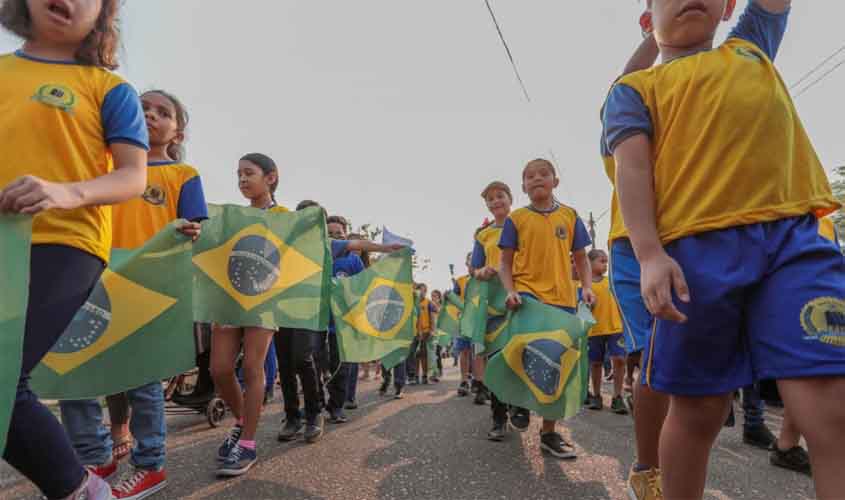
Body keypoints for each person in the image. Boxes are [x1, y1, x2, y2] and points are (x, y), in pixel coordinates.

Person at [605, 1, 845, 498]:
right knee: (698, 408)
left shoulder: (750, 45)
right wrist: (650, 254)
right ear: (647, 19)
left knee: (833, 403)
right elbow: (632, 169)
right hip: (693, 259)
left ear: (729, 5)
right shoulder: (634, 90)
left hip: (794, 245)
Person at [0, 1, 148, 498]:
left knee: (1, 374)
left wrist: (67, 192)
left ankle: (82, 490)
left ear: (103, 15)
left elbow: (133, 176)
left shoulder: (109, 89)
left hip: (65, 241)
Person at [57, 89, 206, 499]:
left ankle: (150, 465)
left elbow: (198, 228)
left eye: (163, 112)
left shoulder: (183, 175)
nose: (151, 115)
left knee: (143, 382)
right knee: (75, 371)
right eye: (142, 108)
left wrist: (194, 230)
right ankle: (94, 456)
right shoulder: (105, 166)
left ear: (178, 132)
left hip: (149, 289)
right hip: (95, 280)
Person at [599, 32, 664, 500]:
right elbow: (621, 87)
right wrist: (657, 36)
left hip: (695, 240)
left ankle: (678, 465)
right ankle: (648, 469)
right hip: (632, 249)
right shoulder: (625, 122)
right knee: (656, 356)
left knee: (697, 364)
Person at [499, 159, 595, 459]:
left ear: (555, 180)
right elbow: (504, 262)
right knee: (525, 350)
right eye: (530, 176)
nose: (537, 179)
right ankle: (518, 401)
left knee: (556, 366)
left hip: (564, 300)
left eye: (543, 174)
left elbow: (581, 258)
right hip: (527, 296)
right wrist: (510, 290)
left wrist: (587, 287)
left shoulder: (570, 215)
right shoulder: (516, 219)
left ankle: (549, 432)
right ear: (523, 186)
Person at [211, 153, 286, 477]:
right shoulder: (233, 217)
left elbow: (316, 248)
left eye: (249, 173)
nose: (242, 179)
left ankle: (248, 444)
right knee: (219, 369)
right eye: (238, 174)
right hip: (229, 298)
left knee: (253, 368)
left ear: (270, 177)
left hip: (264, 300)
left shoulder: (284, 217)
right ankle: (242, 421)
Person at [470, 181, 532, 441]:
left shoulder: (523, 223)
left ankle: (520, 406)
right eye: (490, 199)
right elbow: (474, 269)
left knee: (521, 354)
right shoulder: (482, 235)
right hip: (494, 304)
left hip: (523, 297)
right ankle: (498, 417)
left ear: (510, 198)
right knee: (496, 360)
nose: (496, 201)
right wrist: (481, 272)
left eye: (500, 196)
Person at [584, 249, 628, 415]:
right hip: (595, 330)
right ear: (589, 263)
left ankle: (617, 397)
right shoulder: (585, 286)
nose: (605, 264)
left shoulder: (611, 282)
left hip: (615, 328)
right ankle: (596, 395)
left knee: (619, 360)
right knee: (595, 363)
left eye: (606, 261)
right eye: (601, 261)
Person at [452, 255, 473, 396]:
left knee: (479, 352)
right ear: (466, 263)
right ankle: (464, 380)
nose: (472, 261)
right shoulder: (460, 281)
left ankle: (480, 381)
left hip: (481, 320)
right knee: (464, 351)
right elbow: (453, 300)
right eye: (470, 259)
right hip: (464, 320)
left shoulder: (485, 278)